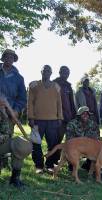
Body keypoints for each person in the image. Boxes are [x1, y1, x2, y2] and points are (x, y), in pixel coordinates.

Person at [0, 49, 32, 188]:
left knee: (8, 142)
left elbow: (22, 99)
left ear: (14, 59)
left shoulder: (19, 78)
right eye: (6, 56)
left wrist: (16, 111)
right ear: (3, 58)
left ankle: (15, 178)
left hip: (8, 115)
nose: (9, 59)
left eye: (11, 57)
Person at [27, 65, 63, 174]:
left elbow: (59, 103)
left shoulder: (56, 86)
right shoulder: (34, 85)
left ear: (51, 73)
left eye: (48, 71)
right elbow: (30, 103)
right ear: (41, 72)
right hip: (37, 120)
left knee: (52, 144)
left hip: (53, 120)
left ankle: (49, 165)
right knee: (36, 144)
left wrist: (60, 117)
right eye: (44, 70)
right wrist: (30, 117)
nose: (46, 72)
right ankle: (39, 166)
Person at [66, 106, 100, 171]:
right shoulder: (71, 124)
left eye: (87, 114)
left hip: (89, 147)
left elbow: (97, 139)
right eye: (83, 114)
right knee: (70, 148)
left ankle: (87, 165)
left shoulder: (93, 124)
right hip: (76, 147)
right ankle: (71, 165)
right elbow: (69, 140)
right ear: (79, 115)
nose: (85, 115)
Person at [54, 66, 76, 143]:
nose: (66, 75)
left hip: (68, 117)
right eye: (64, 73)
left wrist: (74, 116)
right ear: (60, 73)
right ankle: (54, 154)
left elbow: (72, 103)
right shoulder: (54, 83)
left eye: (68, 73)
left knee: (70, 140)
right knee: (56, 140)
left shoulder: (69, 86)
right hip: (57, 118)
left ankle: (64, 154)